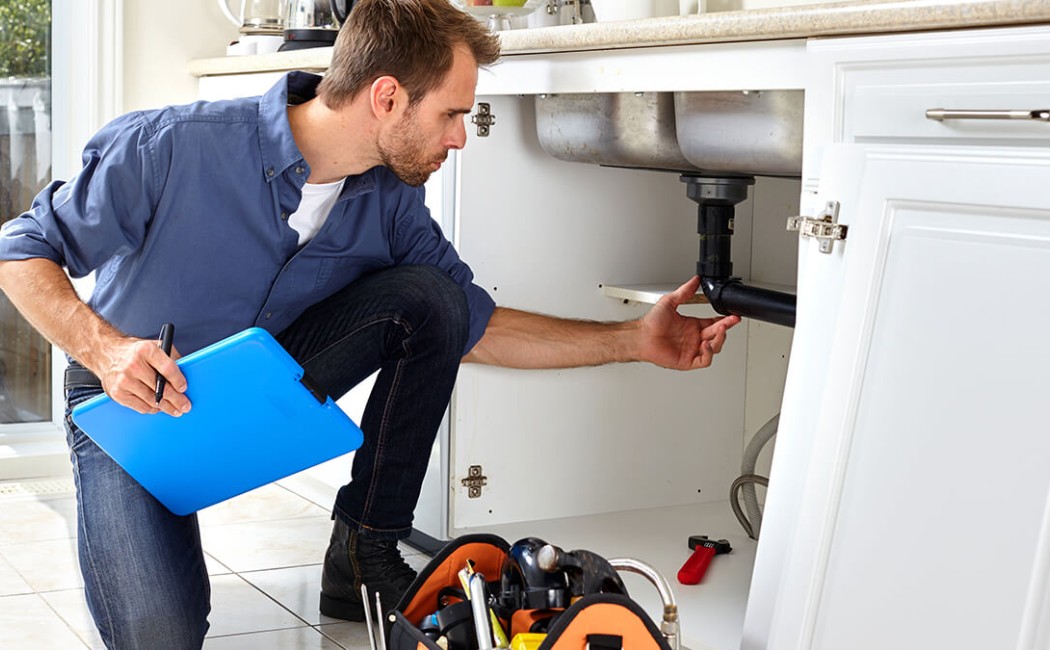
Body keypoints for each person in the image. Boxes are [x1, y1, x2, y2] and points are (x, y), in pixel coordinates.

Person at [0, 0, 740, 647]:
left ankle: (363, 552)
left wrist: (632, 341)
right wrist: (106, 351)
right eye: (451, 114)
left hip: (260, 380)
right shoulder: (168, 146)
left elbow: (470, 325)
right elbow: (19, 250)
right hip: (134, 404)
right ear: (387, 97)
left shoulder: (390, 203)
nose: (461, 136)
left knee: (432, 297)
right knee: (161, 636)